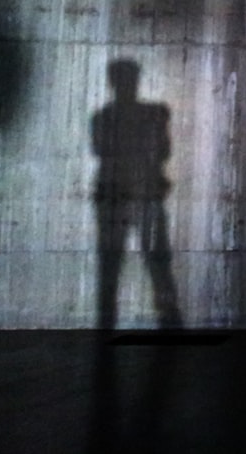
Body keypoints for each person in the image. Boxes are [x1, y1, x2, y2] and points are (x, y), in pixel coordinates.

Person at [91, 60, 182, 330]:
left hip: (118, 195)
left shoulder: (104, 117)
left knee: (113, 263)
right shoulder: (151, 114)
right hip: (140, 194)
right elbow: (163, 151)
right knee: (155, 261)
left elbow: (103, 151)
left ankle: (108, 322)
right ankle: (169, 319)